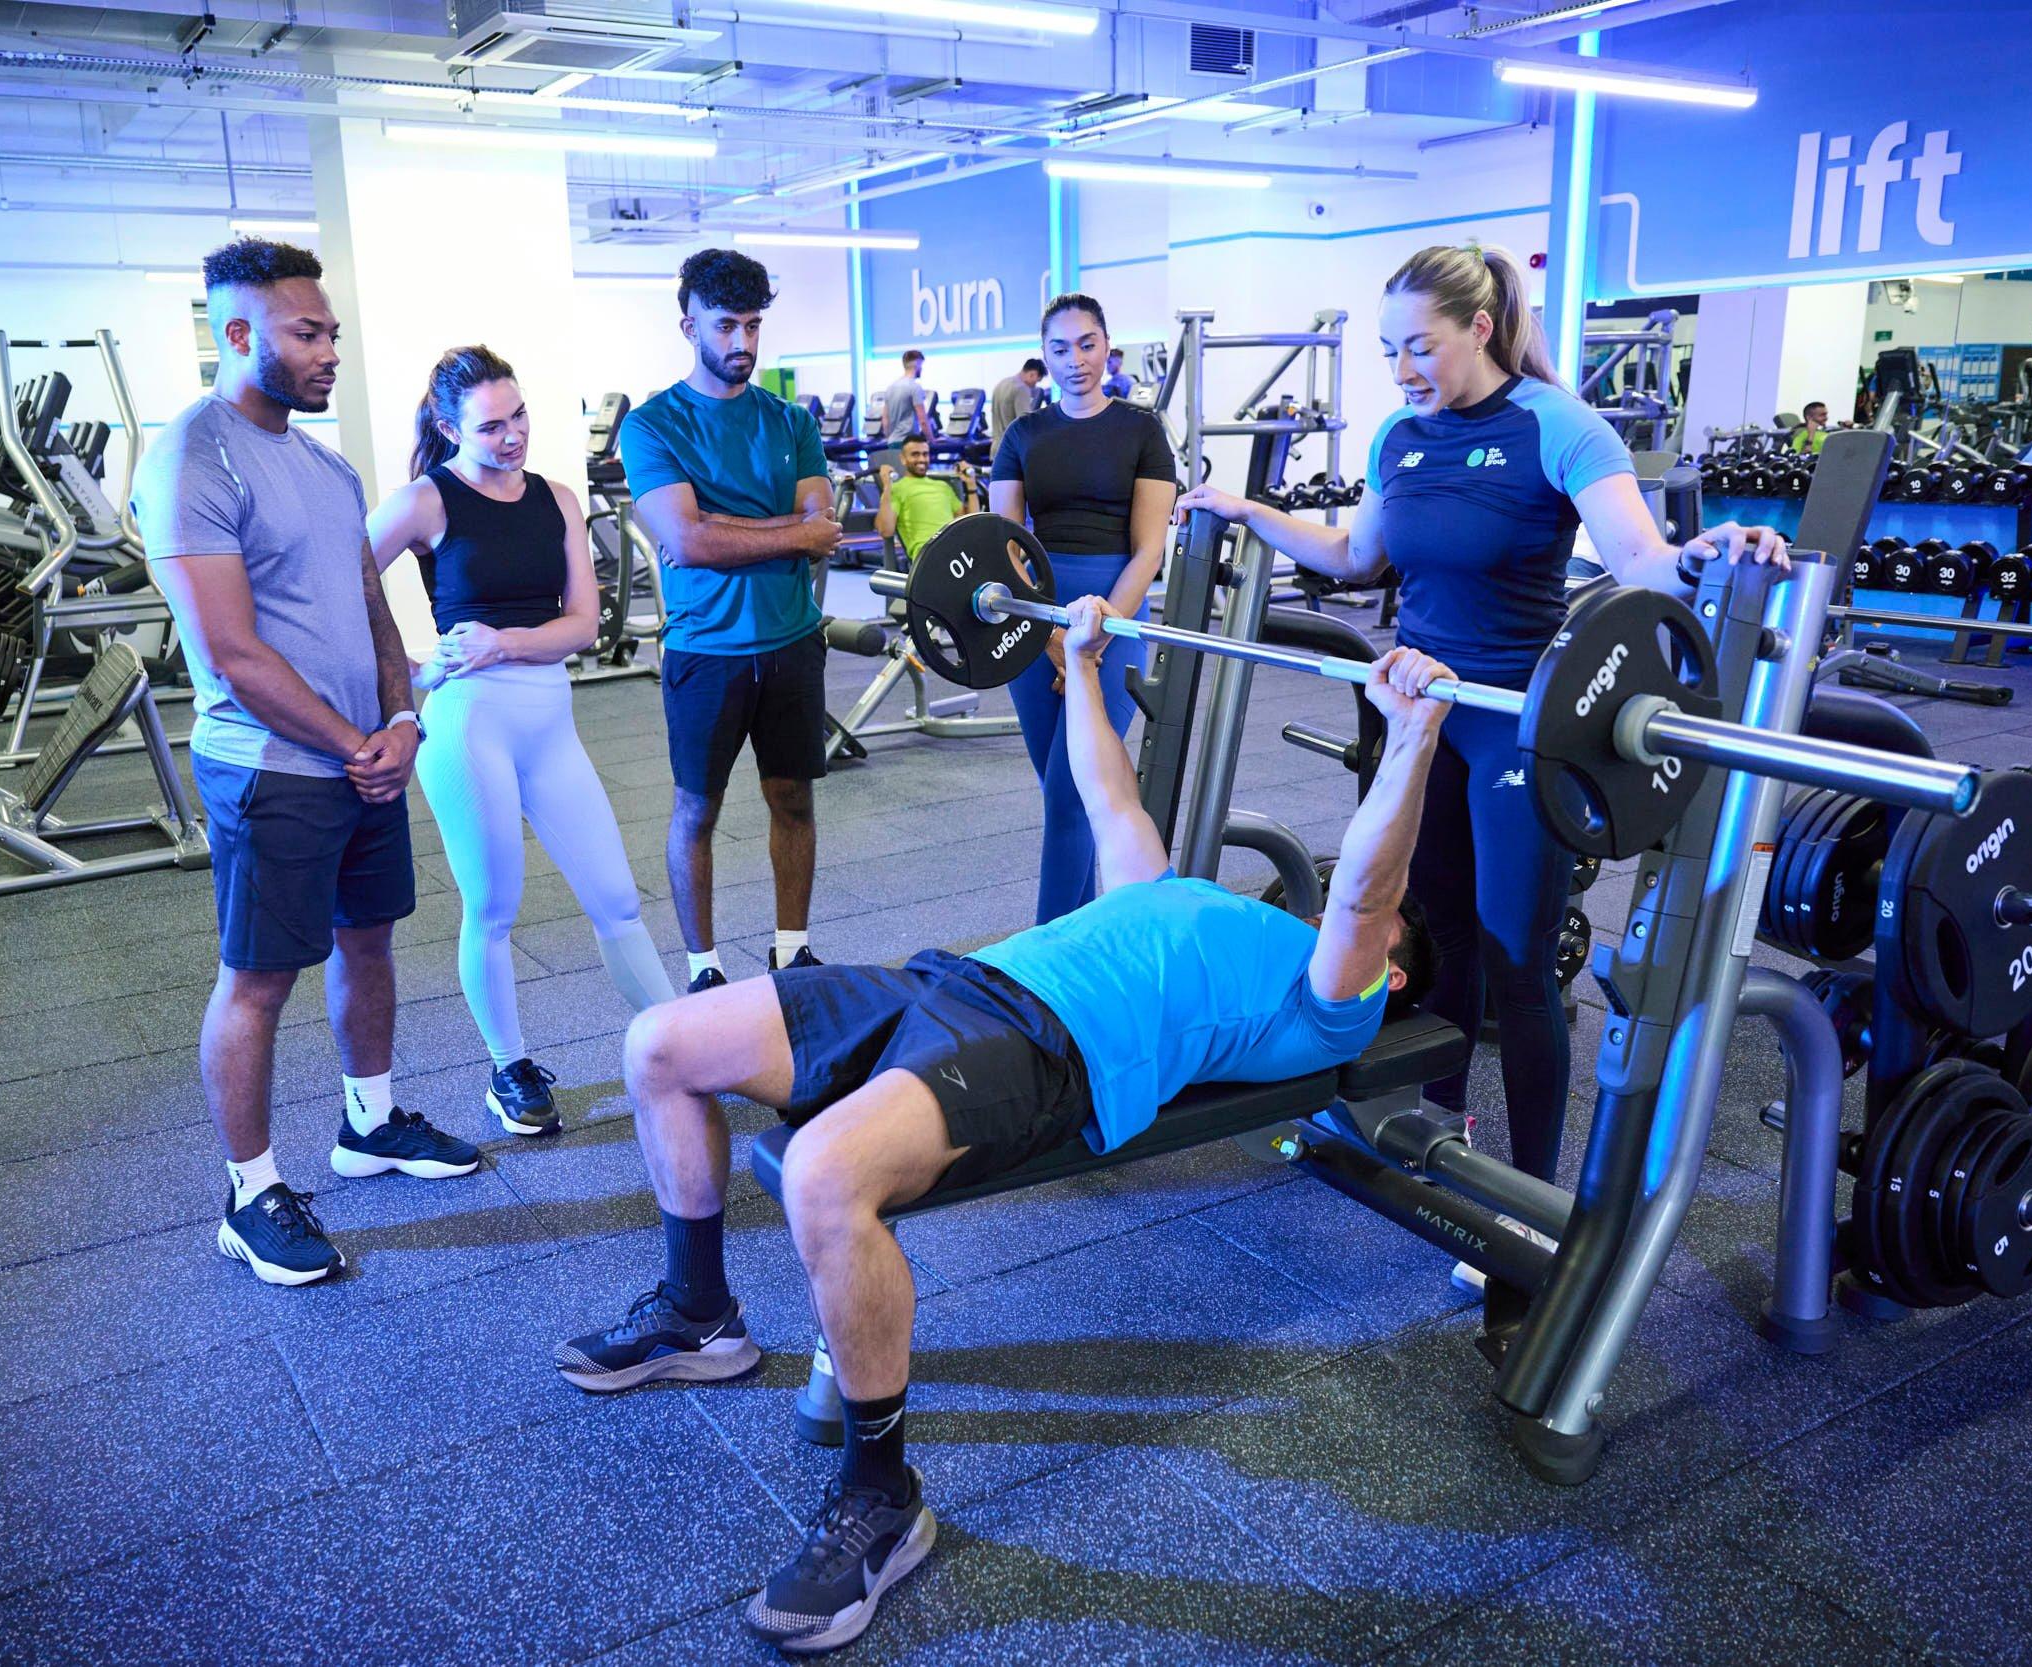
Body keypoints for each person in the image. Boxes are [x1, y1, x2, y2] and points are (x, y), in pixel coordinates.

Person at [554, 598, 1449, 1652]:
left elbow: (1365, 890)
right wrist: (1077, 666)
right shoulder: (1183, 897)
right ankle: (699, 1312)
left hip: (1047, 1048)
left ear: (1390, 973)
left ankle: (881, 1494)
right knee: (657, 1043)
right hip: (950, 978)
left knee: (821, 1173)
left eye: (1372, 926)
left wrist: (1411, 732)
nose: (1333, 905)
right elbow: (1108, 793)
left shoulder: (1330, 995)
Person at [1173, 242, 1788, 1214]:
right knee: (1441, 939)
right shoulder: (1395, 439)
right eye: (1388, 352)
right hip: (1417, 721)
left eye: (1419, 346)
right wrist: (1246, 509)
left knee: (1517, 957)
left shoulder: (1558, 426)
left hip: (1516, 726)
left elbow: (1641, 560)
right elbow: (1352, 553)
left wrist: (1714, 553)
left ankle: (1533, 1200)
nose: (1404, 369)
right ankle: (1444, 1139)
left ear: (1481, 329)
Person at [136, 238, 479, 1288]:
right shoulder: (192, 458)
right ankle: (249, 1192)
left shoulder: (327, 466)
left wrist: (402, 720)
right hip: (273, 768)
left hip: (361, 759)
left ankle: (369, 1122)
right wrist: (349, 745)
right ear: (238, 335)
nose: (332, 349)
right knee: (258, 979)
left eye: (330, 329)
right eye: (308, 332)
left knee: (367, 941)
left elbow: (374, 607)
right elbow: (229, 652)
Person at [365, 346, 674, 1138]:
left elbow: (582, 624)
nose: (513, 437)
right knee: (495, 906)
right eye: (491, 425)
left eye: (520, 416)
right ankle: (509, 1068)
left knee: (616, 897)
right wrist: (410, 667)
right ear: (447, 426)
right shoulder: (427, 501)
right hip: (467, 726)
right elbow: (334, 591)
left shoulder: (559, 499)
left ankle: (684, 1043)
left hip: (549, 720)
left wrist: (501, 641)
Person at [621, 248, 841, 992]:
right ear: (690, 325)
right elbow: (686, 540)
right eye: (726, 326)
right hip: (705, 651)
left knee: (794, 798)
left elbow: (823, 525)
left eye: (753, 324)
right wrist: (777, 532)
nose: (742, 343)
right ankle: (704, 966)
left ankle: (791, 946)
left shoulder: (790, 420)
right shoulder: (652, 426)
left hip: (791, 641)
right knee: (696, 810)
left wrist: (722, 528)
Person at [989, 292, 1177, 923]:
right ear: (1043, 355)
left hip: (1114, 613)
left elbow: (1150, 548)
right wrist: (1049, 632)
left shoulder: (1143, 431)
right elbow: (1004, 542)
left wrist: (1094, 636)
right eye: (1060, 348)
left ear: (1106, 344)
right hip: (1032, 617)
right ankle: (1088, 939)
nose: (1076, 360)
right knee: (1061, 792)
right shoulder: (1022, 435)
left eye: (1087, 344)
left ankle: (1044, 958)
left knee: (1075, 792)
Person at [872, 434, 978, 559]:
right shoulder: (897, 489)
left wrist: (971, 484)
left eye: (925, 454)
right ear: (903, 459)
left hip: (956, 549)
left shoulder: (943, 486)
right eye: (915, 454)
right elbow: (886, 530)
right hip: (928, 553)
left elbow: (971, 524)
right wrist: (887, 486)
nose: (922, 459)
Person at [986, 357, 1045, 450]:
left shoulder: (1001, 383)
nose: (1034, 386)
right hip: (1011, 450)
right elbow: (1025, 423)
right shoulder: (1022, 389)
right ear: (1032, 374)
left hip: (996, 448)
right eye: (1036, 381)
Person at [881, 348, 932, 446]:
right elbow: (923, 420)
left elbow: (885, 420)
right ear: (917, 364)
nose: (921, 369)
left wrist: (889, 438)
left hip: (892, 442)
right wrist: (931, 440)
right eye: (921, 366)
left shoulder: (890, 388)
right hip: (909, 443)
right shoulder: (914, 387)